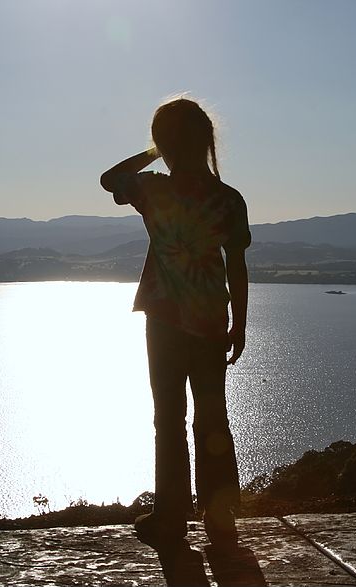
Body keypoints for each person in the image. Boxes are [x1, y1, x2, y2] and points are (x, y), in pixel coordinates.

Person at [100, 97, 251, 551]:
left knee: (168, 418)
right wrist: (239, 325)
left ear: (166, 143)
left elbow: (110, 180)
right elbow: (237, 267)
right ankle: (219, 512)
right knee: (212, 415)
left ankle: (171, 515)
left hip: (164, 321)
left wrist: (153, 151)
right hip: (209, 321)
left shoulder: (155, 191)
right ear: (206, 141)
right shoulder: (227, 199)